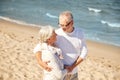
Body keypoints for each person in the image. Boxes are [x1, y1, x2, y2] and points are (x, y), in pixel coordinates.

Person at [55, 11, 88, 80]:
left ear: (72, 22)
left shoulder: (80, 33)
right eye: (61, 25)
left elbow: (84, 52)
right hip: (60, 72)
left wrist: (72, 67)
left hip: (74, 73)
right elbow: (48, 49)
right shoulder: (57, 33)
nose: (63, 28)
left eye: (65, 25)